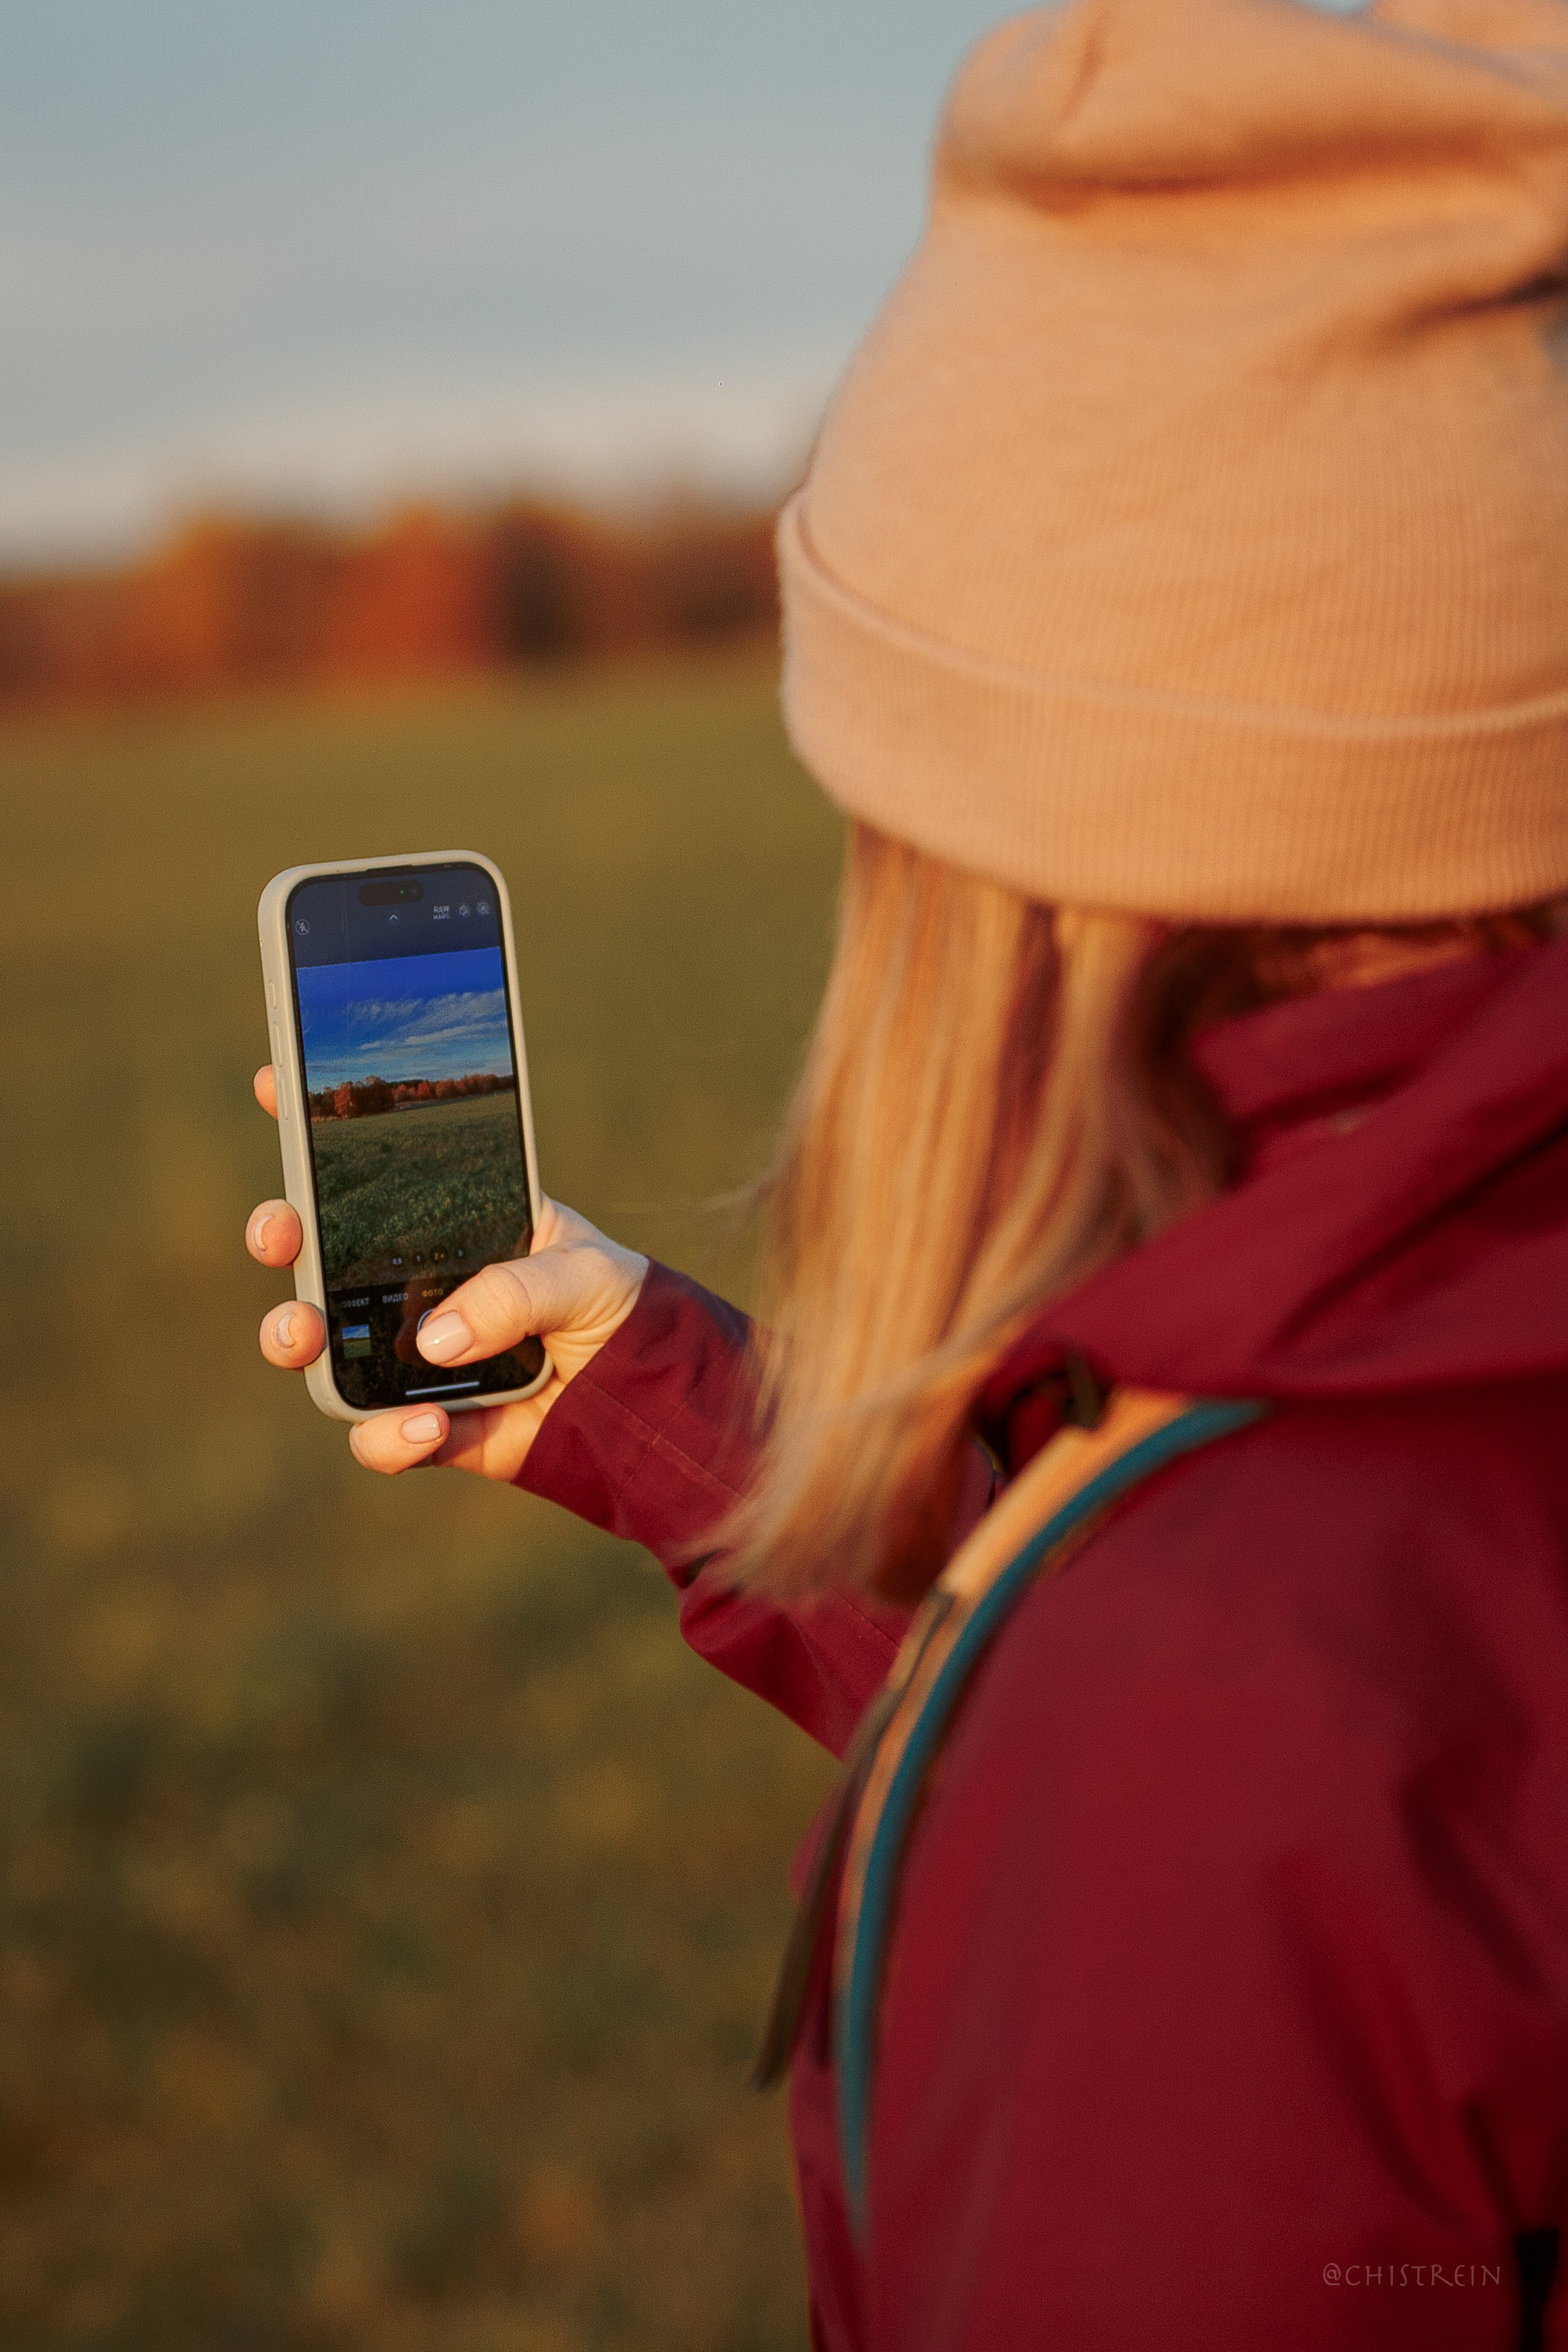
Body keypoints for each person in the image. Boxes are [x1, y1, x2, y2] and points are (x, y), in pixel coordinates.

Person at [246, 2, 1568, 2343]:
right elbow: (1307, 1748)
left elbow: (1206, 1788)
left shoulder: (1213, 1733)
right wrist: (656, 1409)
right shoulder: (1429, 1366)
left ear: (1025, 845)